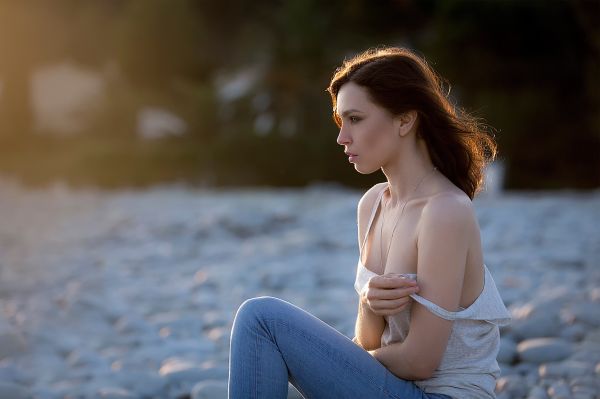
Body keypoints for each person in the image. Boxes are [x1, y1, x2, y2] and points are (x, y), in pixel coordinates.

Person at [227, 46, 511, 399]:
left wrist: (336, 364)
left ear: (405, 119)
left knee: (261, 319)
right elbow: (367, 339)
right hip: (391, 388)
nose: (342, 137)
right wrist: (367, 305)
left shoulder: (444, 212)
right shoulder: (373, 204)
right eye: (340, 120)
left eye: (356, 119)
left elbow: (420, 361)